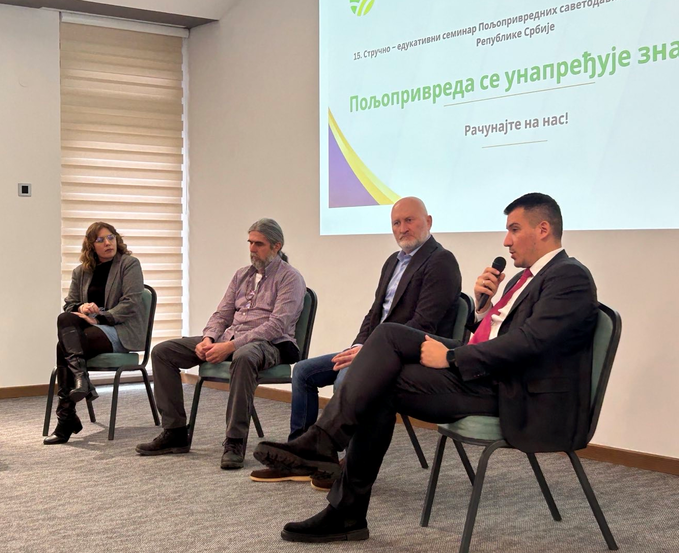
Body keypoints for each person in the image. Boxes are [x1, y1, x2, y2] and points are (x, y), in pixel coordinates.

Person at [253, 193, 599, 542]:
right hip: (487, 374)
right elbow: (497, 337)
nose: (506, 240)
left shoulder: (569, 277)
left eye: (513, 229)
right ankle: (335, 479)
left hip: (517, 393)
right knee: (387, 341)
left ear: (543, 229)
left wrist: (451, 358)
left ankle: (336, 481)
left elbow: (530, 343)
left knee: (381, 380)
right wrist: (484, 309)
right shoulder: (523, 279)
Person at [250, 197, 461, 487]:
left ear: (429, 221)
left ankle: (347, 466)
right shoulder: (393, 262)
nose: (403, 228)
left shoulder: (441, 261)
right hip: (376, 349)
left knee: (345, 381)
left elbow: (423, 326)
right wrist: (357, 347)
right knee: (303, 372)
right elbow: (374, 314)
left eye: (409, 220)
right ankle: (300, 456)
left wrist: (367, 353)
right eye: (396, 223)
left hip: (411, 356)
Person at [136, 218, 306, 469]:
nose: (251, 249)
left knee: (244, 356)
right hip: (229, 339)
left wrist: (231, 346)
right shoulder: (242, 275)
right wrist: (209, 339)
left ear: (276, 246)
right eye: (250, 242)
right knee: (163, 352)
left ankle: (235, 441)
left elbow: (276, 326)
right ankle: (175, 433)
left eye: (258, 244)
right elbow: (222, 314)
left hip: (269, 344)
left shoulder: (291, 278)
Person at [44, 222, 147, 445]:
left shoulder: (129, 264)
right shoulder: (81, 272)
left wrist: (99, 316)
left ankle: (66, 418)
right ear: (91, 245)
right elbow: (69, 305)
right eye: (100, 240)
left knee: (63, 347)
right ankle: (80, 384)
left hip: (120, 330)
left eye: (111, 237)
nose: (108, 243)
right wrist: (81, 308)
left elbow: (130, 304)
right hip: (91, 332)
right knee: (65, 319)